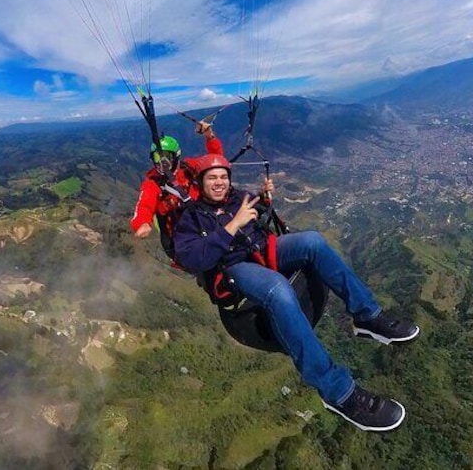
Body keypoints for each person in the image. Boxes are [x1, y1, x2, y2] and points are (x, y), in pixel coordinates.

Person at [173, 154, 420, 432]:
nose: (219, 182)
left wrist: (264, 200)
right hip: (234, 266)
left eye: (223, 176)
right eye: (211, 178)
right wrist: (232, 226)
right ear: (200, 182)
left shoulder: (239, 198)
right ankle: (338, 392)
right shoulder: (191, 218)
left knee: (313, 241)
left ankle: (367, 317)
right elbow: (192, 259)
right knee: (278, 290)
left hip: (263, 249)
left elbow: (258, 217)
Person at [130, 121, 223, 244]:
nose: (162, 162)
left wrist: (210, 137)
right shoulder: (154, 182)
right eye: (158, 157)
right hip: (183, 238)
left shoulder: (188, 167)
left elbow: (215, 162)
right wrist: (142, 223)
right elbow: (144, 205)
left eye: (166, 156)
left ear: (176, 156)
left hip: (206, 222)